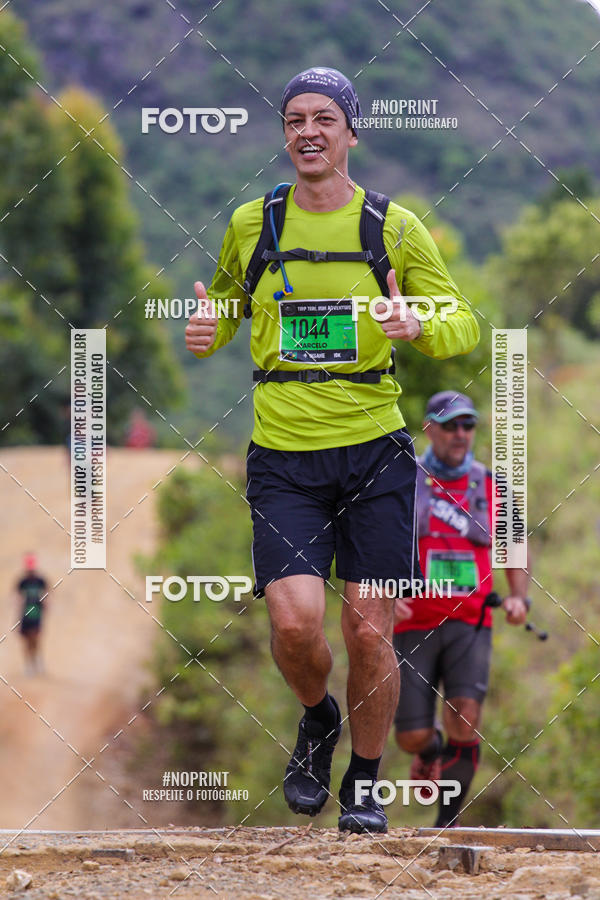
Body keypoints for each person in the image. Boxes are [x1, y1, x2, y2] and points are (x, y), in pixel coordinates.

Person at [185, 66, 480, 833]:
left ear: (351, 131)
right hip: (284, 455)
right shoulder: (256, 223)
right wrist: (206, 328)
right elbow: (225, 302)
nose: (306, 131)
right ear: (284, 136)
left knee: (370, 631)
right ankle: (318, 721)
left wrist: (418, 325)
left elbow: (463, 324)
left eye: (323, 118)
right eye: (293, 120)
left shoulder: (394, 227)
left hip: (376, 454)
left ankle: (367, 779)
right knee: (294, 624)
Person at [393, 390, 530, 828]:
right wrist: (383, 592)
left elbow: (514, 546)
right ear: (429, 428)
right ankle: (429, 750)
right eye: (449, 425)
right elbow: (380, 541)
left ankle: (446, 826)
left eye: (467, 425)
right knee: (409, 735)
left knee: (465, 718)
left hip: (471, 621)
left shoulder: (493, 485)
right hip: (413, 620)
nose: (459, 434)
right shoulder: (405, 480)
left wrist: (518, 597)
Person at [15, 553, 49, 676]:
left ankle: (38, 664)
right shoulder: (22, 582)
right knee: (26, 640)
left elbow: (47, 594)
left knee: (35, 639)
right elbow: (17, 596)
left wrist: (45, 603)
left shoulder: (40, 581)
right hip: (25, 613)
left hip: (36, 612)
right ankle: (29, 665)